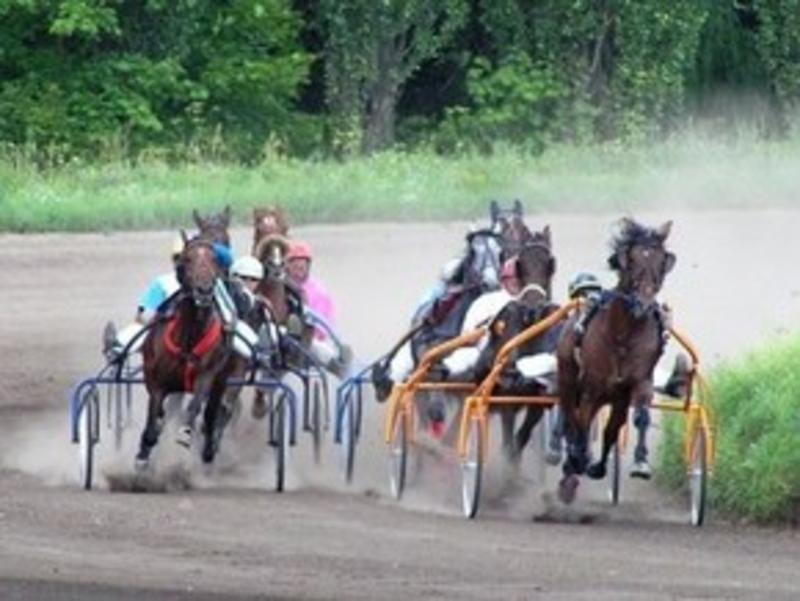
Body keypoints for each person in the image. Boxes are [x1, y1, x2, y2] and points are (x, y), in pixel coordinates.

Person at [285, 240, 352, 377]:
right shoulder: (280, 288)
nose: (298, 267)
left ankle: (341, 370)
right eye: (294, 263)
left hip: (311, 341)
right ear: (287, 266)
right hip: (284, 340)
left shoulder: (320, 292)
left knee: (315, 346)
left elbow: (321, 330)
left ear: (308, 266)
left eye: (302, 265)